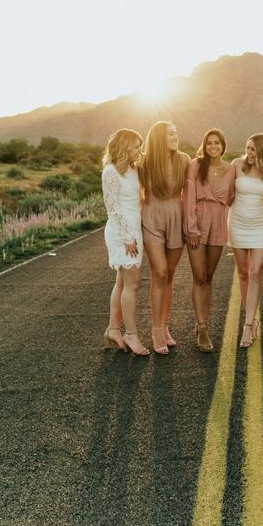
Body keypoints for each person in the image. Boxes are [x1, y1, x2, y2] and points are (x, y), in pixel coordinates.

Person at [140, 121, 190, 355]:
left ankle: (165, 326)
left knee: (169, 275)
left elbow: (193, 191)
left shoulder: (184, 160)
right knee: (159, 272)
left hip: (175, 218)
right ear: (160, 137)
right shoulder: (145, 163)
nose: (175, 137)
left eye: (176, 133)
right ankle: (155, 330)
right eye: (170, 133)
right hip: (151, 217)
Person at [183, 129, 235, 352]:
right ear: (204, 145)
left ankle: (203, 321)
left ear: (223, 145)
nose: (213, 146)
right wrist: (191, 229)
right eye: (209, 143)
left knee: (210, 276)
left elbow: (232, 196)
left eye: (217, 143)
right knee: (199, 275)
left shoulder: (231, 168)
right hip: (198, 220)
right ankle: (202, 327)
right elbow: (188, 197)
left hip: (219, 221)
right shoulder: (195, 165)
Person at [101, 128, 149, 356]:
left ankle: (113, 328)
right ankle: (131, 334)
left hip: (133, 230)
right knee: (132, 283)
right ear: (123, 148)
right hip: (122, 233)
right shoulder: (110, 172)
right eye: (136, 147)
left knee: (122, 282)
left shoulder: (133, 169)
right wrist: (127, 237)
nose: (140, 151)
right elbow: (113, 208)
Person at [228, 133, 263, 348]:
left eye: (253, 149)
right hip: (237, 223)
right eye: (247, 148)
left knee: (256, 272)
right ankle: (251, 317)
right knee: (243, 273)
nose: (249, 153)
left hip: (260, 226)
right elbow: (226, 192)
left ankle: (248, 325)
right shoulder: (237, 164)